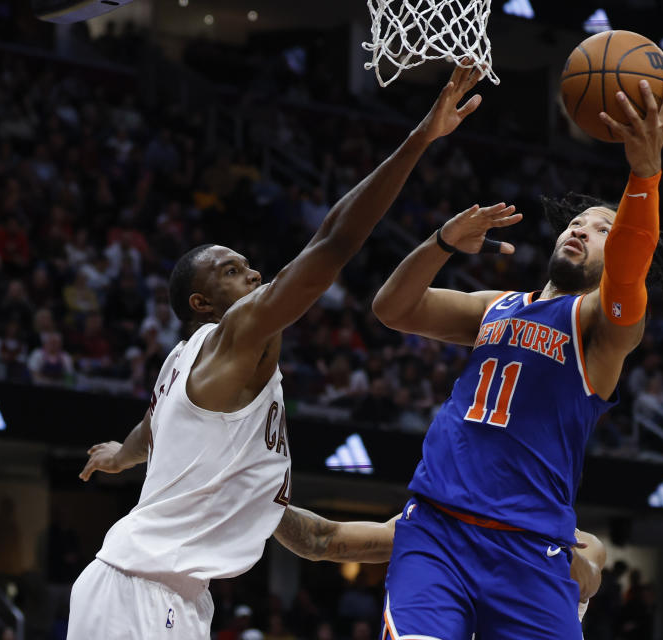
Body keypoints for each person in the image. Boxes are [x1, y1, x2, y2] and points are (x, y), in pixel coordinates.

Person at [67, 64, 486, 639]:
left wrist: (121, 455)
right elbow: (334, 241)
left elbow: (316, 540)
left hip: (159, 592)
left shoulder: (187, 375)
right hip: (142, 592)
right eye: (234, 271)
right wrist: (421, 138)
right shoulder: (233, 338)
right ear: (203, 303)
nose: (255, 274)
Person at [372, 79, 663, 638]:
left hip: (531, 551)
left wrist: (644, 173)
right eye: (578, 221)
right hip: (438, 530)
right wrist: (440, 242)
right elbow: (393, 308)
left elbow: (630, 267)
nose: (583, 227)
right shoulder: (497, 306)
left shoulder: (602, 328)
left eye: (605, 228)